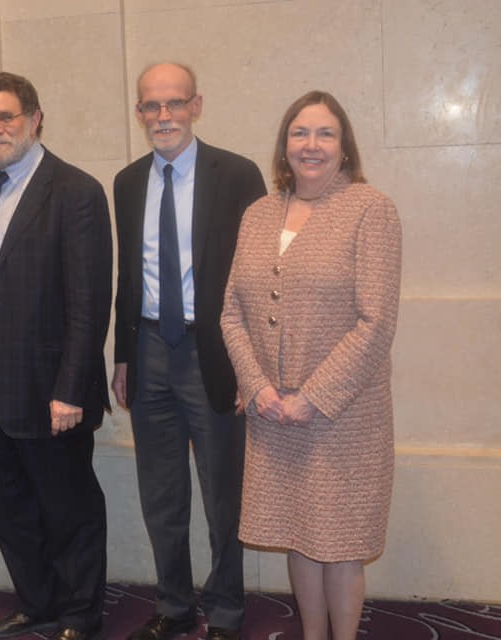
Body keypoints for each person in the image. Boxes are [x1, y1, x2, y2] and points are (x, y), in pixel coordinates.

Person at [220, 91, 401, 640]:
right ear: (285, 145)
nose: (311, 145)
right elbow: (231, 311)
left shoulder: (372, 210)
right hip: (272, 413)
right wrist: (256, 387)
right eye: (300, 133)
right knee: (297, 533)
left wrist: (312, 397)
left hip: (343, 416)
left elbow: (376, 322)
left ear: (344, 147)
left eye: (325, 134)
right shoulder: (258, 214)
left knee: (340, 544)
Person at [0, 72, 112, 640]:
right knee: (10, 501)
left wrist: (70, 388)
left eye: (6, 117)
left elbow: (90, 303)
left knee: (67, 505)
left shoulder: (75, 191)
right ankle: (38, 602)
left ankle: (80, 615)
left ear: (35, 119)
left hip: (48, 386)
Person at [111, 63, 267, 640]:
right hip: (149, 346)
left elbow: (255, 277)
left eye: (174, 103)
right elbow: (130, 277)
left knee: (224, 495)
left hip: (216, 351)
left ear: (197, 105)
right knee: (161, 494)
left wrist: (254, 366)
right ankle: (174, 608)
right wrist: (123, 354)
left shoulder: (238, 175)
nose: (163, 117)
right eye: (151, 106)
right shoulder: (127, 183)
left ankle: (226, 615)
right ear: (138, 114)